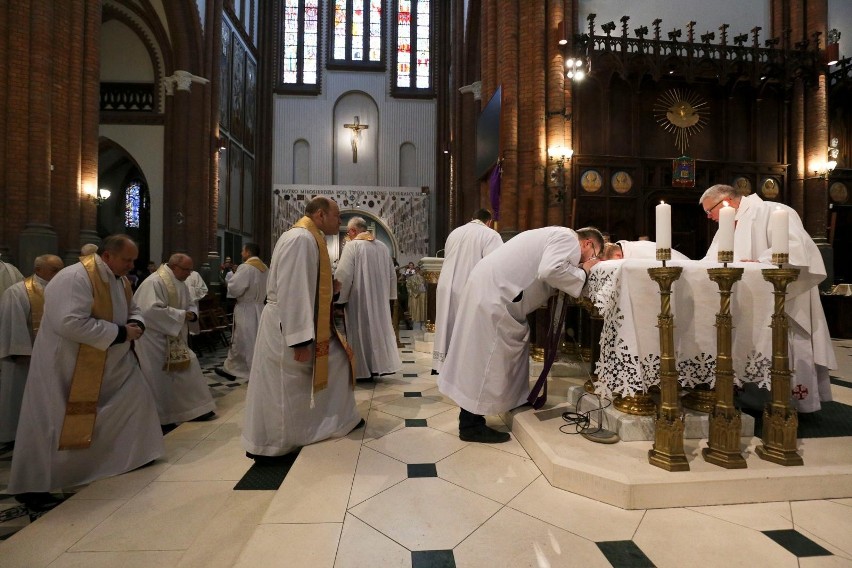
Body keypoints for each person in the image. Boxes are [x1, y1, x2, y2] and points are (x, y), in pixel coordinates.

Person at [7, 235, 164, 509]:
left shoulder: (119, 279)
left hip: (112, 363)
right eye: (127, 259)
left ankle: (134, 454)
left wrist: (136, 322)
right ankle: (34, 486)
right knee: (55, 422)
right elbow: (69, 323)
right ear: (107, 255)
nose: (131, 265)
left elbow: (133, 308)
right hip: (67, 365)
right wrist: (120, 333)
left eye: (132, 260)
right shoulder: (74, 278)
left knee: (136, 399)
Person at [439, 226, 604, 443]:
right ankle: (470, 424)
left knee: (509, 347)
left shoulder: (555, 235)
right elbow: (550, 270)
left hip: (493, 290)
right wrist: (585, 271)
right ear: (588, 243)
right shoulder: (568, 239)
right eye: (594, 255)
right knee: (486, 358)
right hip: (496, 296)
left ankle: (515, 399)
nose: (590, 260)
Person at [242, 197, 361, 462]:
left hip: (293, 322)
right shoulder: (301, 239)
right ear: (320, 215)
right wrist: (299, 341)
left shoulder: (309, 238)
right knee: (284, 389)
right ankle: (276, 444)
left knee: (340, 362)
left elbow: (305, 283)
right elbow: (293, 291)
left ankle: (334, 420)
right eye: (336, 216)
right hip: (289, 327)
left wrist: (331, 287)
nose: (339, 221)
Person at [700, 184, 836, 412]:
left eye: (709, 211)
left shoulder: (773, 212)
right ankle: (752, 398)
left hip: (783, 300)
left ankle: (792, 404)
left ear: (726, 202)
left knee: (784, 343)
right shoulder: (727, 227)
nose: (709, 217)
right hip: (746, 304)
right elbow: (710, 262)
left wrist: (762, 264)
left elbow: (794, 250)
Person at [133, 254, 216, 429]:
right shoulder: (154, 282)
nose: (189, 273)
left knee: (188, 368)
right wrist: (181, 315)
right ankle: (164, 417)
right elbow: (149, 311)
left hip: (174, 336)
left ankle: (195, 409)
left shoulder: (180, 282)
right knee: (161, 378)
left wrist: (192, 313)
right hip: (156, 340)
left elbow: (190, 303)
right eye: (187, 269)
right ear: (174, 266)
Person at [0, 254, 64, 444]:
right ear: (38, 270)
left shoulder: (61, 291)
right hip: (24, 359)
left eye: (61, 269)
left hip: (54, 358)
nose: (59, 273)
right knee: (18, 397)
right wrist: (21, 352)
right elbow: (13, 324)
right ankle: (13, 437)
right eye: (55, 270)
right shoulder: (18, 292)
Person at [432, 208, 503, 372]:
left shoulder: (455, 232)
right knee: (468, 327)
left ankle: (444, 364)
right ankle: (466, 368)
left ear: (472, 218)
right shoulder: (490, 234)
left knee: (447, 324)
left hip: (446, 286)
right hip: (469, 286)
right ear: (489, 222)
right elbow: (496, 264)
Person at [334, 216, 401, 380]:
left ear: (353, 231)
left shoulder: (353, 246)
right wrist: (391, 296)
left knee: (360, 331)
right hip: (380, 299)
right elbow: (392, 275)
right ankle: (378, 366)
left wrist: (339, 300)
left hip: (359, 299)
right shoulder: (383, 246)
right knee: (378, 330)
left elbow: (344, 275)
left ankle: (362, 369)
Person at [218, 243, 268, 380]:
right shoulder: (265, 268)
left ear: (247, 252)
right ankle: (232, 369)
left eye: (242, 250)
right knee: (252, 339)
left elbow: (235, 289)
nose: (241, 253)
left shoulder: (246, 267)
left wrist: (230, 283)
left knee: (245, 339)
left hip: (246, 309)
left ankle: (253, 373)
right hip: (260, 308)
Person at [406, 266, 428, 330]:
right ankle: (418, 325)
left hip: (420, 296)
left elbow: (408, 287)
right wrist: (413, 292)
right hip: (417, 296)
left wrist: (413, 292)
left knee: (420, 310)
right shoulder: (413, 278)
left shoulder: (423, 278)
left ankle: (422, 324)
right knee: (417, 311)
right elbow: (408, 287)